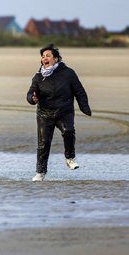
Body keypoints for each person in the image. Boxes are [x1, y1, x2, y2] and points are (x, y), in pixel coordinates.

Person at [26, 44, 91, 182]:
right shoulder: (38, 77)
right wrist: (32, 98)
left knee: (68, 131)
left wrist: (84, 107)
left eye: (48, 56)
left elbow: (79, 91)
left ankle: (70, 158)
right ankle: (40, 173)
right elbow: (30, 93)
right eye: (43, 56)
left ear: (56, 58)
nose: (45, 58)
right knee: (43, 144)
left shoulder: (68, 73)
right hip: (44, 114)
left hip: (64, 112)